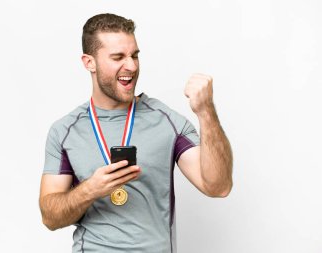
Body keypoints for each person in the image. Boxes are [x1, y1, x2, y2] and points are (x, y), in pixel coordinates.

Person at [39, 13, 233, 253]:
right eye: (118, 57)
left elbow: (218, 186)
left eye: (135, 55)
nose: (131, 66)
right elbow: (50, 217)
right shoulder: (65, 131)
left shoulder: (167, 122)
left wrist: (206, 112)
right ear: (89, 62)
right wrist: (91, 189)